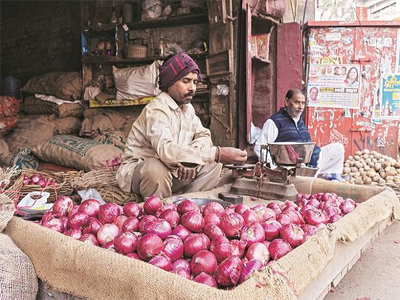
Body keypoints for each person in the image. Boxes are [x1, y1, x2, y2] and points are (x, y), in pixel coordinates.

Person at [117, 53, 247, 199]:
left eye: (195, 82)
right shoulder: (156, 110)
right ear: (169, 82)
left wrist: (190, 161)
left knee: (214, 164)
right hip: (145, 174)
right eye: (186, 81)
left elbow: (203, 135)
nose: (192, 88)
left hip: (175, 171)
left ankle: (186, 202)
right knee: (156, 169)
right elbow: (166, 151)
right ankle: (161, 209)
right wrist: (217, 153)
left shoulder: (187, 108)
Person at [254, 88, 345, 178]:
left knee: (338, 149)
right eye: (297, 102)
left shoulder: (299, 121)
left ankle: (330, 180)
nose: (301, 107)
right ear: (286, 102)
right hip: (292, 168)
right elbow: (259, 147)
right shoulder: (274, 122)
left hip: (312, 160)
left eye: (303, 103)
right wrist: (274, 169)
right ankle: (313, 181)